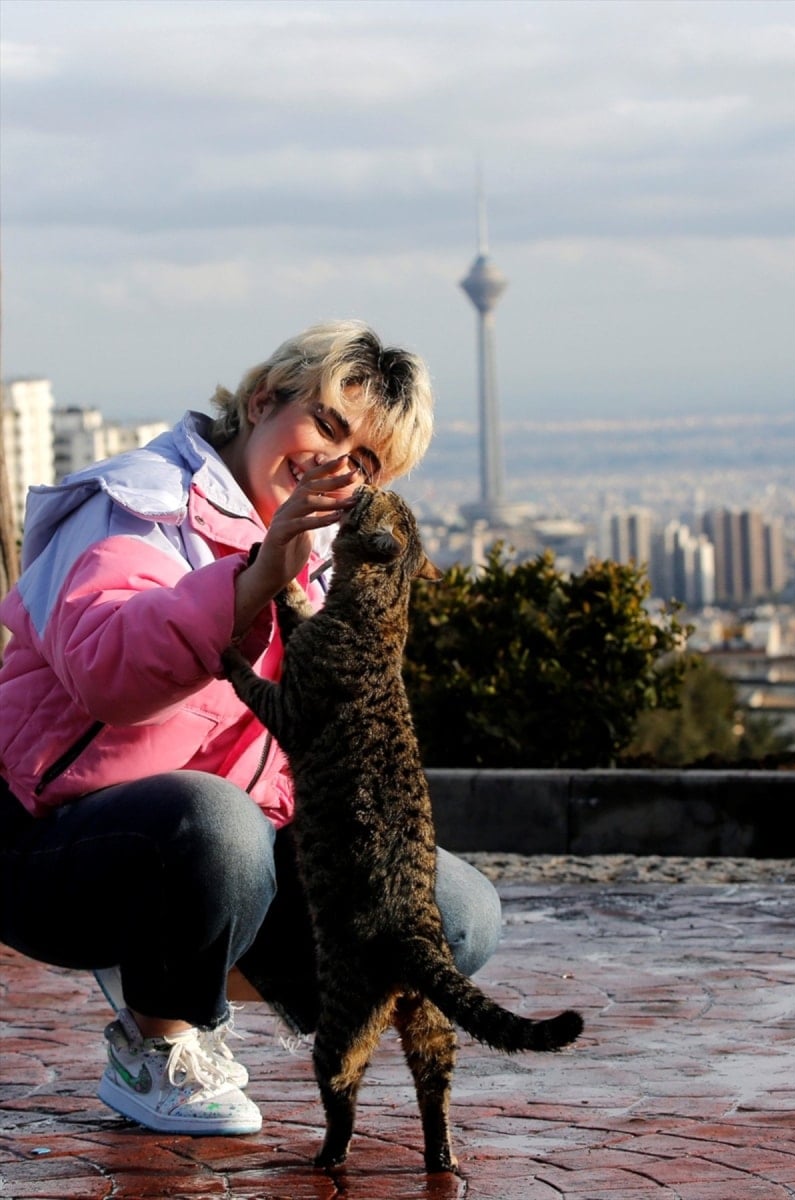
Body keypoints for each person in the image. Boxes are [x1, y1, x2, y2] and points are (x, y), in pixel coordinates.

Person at [0, 320, 502, 1136]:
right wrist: (252, 582)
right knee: (218, 826)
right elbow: (106, 673)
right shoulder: (136, 503)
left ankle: (172, 959)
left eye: (366, 462)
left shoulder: (325, 556)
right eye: (328, 426)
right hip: (50, 841)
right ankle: (157, 1039)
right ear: (264, 400)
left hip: (215, 855)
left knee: (456, 912)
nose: (337, 466)